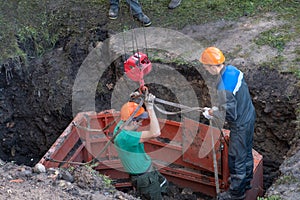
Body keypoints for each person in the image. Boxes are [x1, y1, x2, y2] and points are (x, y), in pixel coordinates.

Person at [199, 47, 256, 200]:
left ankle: (236, 193)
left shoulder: (224, 87)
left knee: (237, 157)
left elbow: (230, 114)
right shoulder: (233, 70)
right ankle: (247, 181)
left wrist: (213, 113)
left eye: (206, 67)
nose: (205, 69)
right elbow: (233, 102)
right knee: (245, 152)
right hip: (248, 114)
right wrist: (217, 108)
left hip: (240, 124)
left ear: (212, 66)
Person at [113, 93, 168, 199]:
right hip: (145, 178)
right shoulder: (125, 137)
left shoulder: (121, 125)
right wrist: (150, 108)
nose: (141, 124)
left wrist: (136, 99)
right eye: (140, 121)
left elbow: (128, 112)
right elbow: (156, 133)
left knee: (164, 186)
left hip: (148, 171)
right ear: (133, 122)